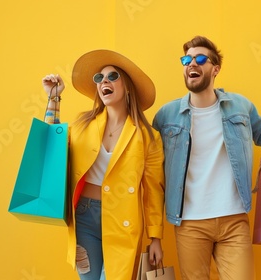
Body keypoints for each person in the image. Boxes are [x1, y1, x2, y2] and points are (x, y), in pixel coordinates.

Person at [152, 35, 261, 280]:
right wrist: (154, 236)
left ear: (215, 69)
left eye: (199, 58)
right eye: (186, 59)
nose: (191, 64)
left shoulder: (240, 106)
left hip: (234, 219)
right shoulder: (167, 115)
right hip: (189, 222)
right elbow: (152, 171)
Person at [42, 49, 165, 280]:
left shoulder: (148, 137)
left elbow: (153, 192)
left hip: (124, 222)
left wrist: (156, 237)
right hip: (85, 218)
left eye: (112, 76)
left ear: (127, 86)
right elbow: (51, 147)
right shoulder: (83, 126)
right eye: (99, 78)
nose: (103, 81)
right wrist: (54, 98)